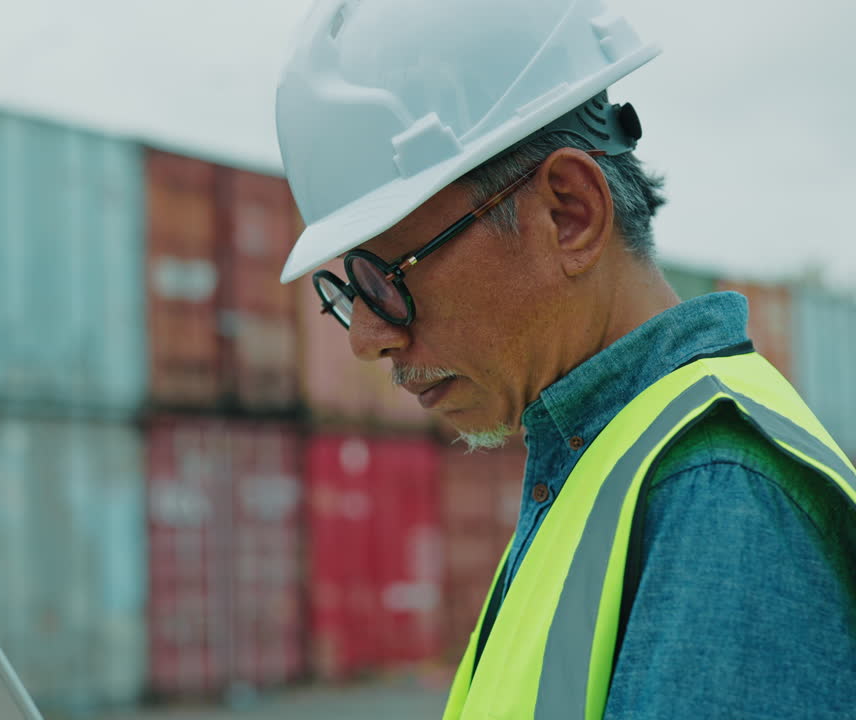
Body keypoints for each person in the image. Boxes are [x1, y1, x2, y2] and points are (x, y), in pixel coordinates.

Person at [273, 0, 856, 717]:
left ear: (569, 214)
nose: (367, 338)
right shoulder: (597, 471)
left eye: (388, 279)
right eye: (347, 288)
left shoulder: (715, 494)